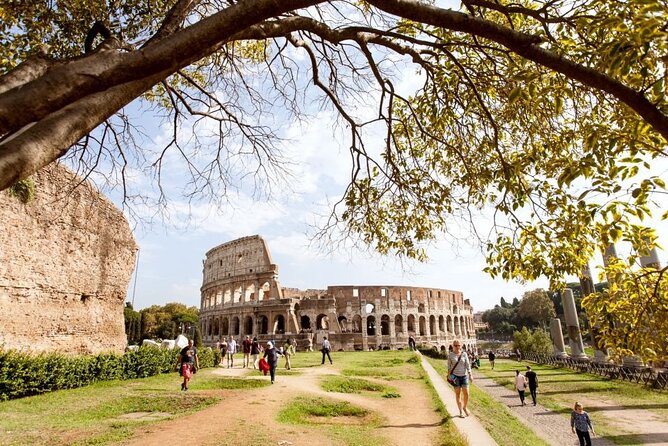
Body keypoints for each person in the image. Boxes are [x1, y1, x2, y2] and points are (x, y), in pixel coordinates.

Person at [447, 339, 473, 417]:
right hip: (455, 377)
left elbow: (468, 365)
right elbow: (449, 367)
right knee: (458, 394)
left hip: (464, 376)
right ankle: (461, 411)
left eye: (459, 345)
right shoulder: (450, 355)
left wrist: (470, 374)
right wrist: (449, 375)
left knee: (466, 394)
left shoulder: (464, 354)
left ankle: (465, 407)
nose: (457, 347)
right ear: (452, 346)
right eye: (456, 345)